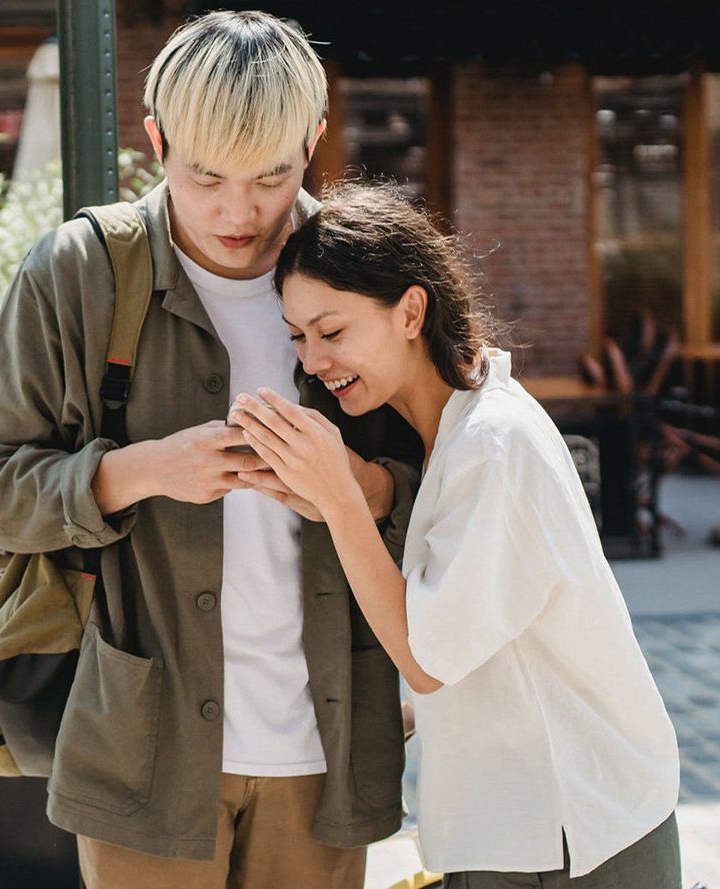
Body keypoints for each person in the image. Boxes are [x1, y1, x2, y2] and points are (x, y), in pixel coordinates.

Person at [0, 11, 424, 889]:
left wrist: (354, 485)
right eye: (205, 175)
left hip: (327, 747)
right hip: (143, 755)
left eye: (273, 175)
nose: (237, 211)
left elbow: (437, 481)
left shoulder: (366, 273)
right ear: (156, 137)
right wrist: (139, 472)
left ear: (315, 141)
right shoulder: (79, 273)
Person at [229, 182, 684, 888]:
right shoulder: (463, 427)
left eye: (333, 331)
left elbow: (428, 657)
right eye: (298, 337)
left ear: (412, 310)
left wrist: (342, 500)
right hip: (529, 827)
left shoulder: (491, 444)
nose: (313, 361)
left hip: (565, 838)